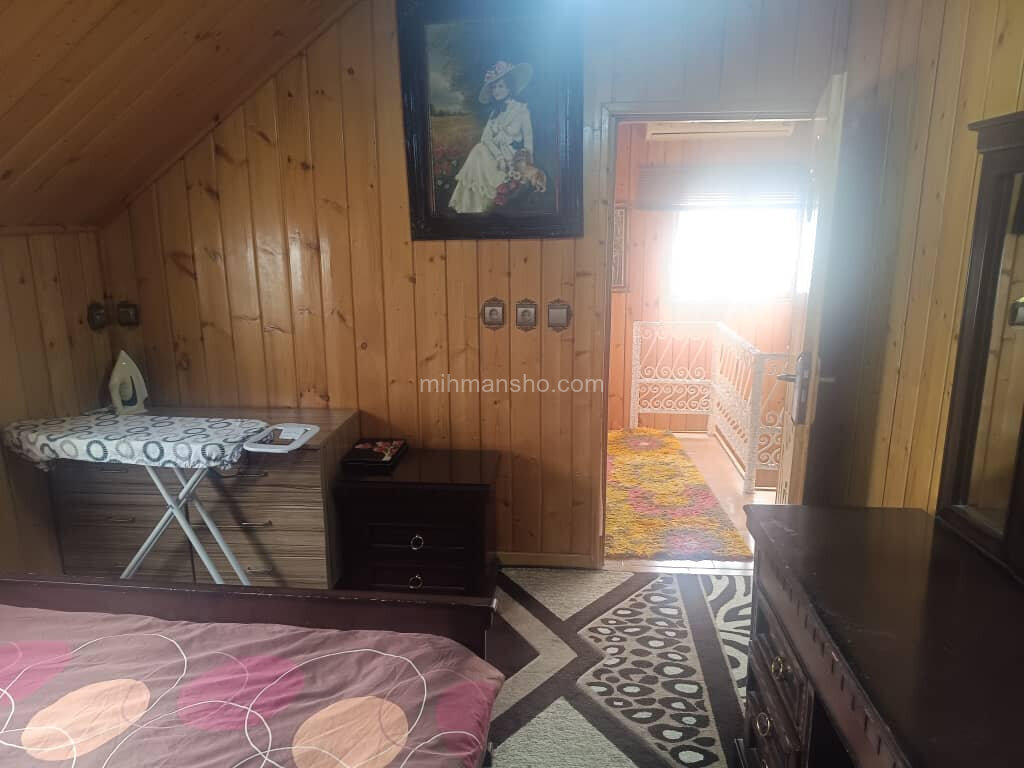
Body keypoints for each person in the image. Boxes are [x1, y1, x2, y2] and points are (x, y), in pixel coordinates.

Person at [449, 60, 534, 214]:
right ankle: (475, 207)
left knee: (479, 151)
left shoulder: (522, 110)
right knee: (479, 149)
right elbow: (485, 139)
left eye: (500, 86)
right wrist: (499, 157)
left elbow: (528, 142)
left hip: (512, 158)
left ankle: (483, 204)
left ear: (510, 87)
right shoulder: (494, 114)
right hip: (495, 156)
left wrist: (526, 166)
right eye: (493, 87)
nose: (496, 91)